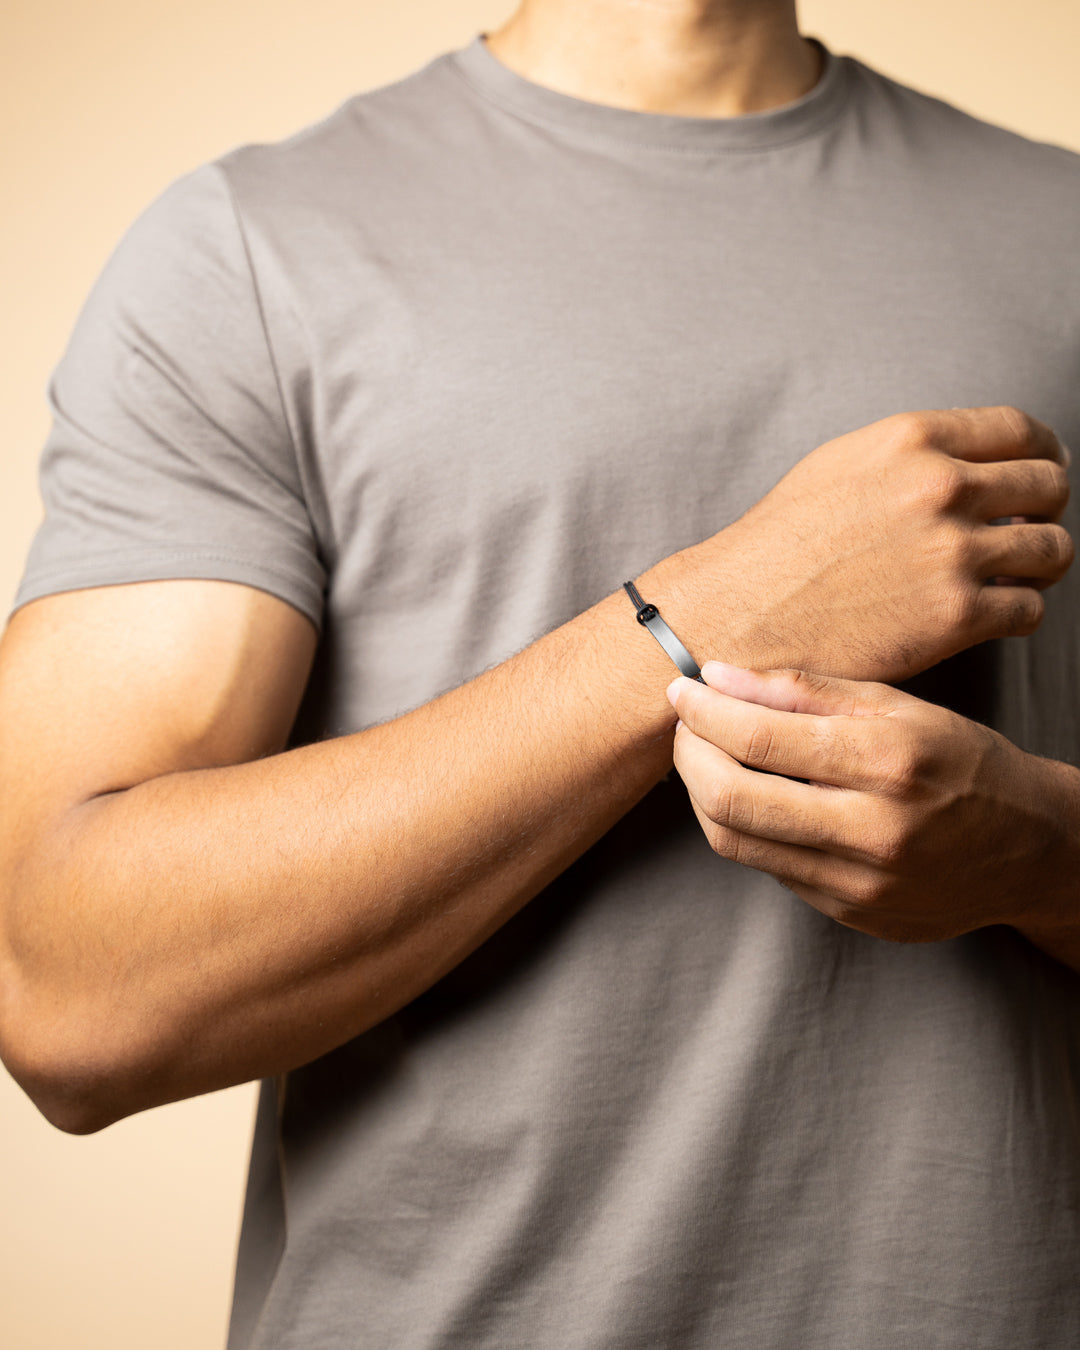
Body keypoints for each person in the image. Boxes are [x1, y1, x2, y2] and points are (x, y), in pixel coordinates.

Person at [2, 0, 1080, 1344]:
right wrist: (702, 615)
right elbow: (70, 995)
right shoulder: (250, 254)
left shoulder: (1064, 235)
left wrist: (1044, 854)